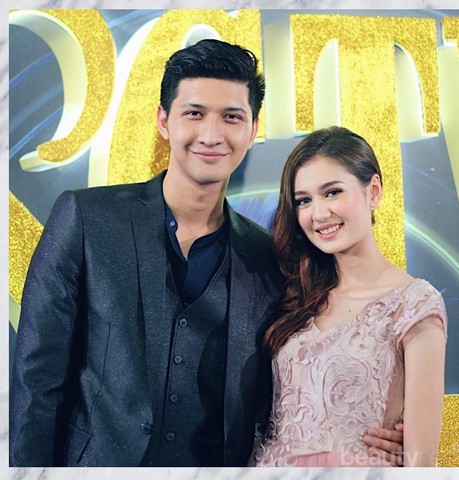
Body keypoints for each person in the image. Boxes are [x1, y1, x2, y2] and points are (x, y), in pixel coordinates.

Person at [10, 40, 403, 467]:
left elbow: (294, 383)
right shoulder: (87, 218)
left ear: (252, 130)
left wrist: (376, 431)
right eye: (194, 114)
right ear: (164, 120)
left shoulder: (269, 257)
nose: (212, 136)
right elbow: (37, 376)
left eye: (231, 117)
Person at [251, 126, 447, 467]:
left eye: (332, 192)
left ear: (373, 191)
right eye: (304, 200)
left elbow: (421, 463)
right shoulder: (296, 294)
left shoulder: (414, 304)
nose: (318, 214)